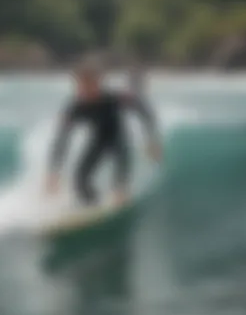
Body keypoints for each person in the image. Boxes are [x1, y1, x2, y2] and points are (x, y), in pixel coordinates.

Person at [45, 60, 162, 206]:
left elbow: (143, 111)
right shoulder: (75, 108)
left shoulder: (113, 98)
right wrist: (53, 171)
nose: (86, 90)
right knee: (79, 180)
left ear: (98, 83)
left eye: (90, 84)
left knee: (120, 181)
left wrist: (152, 141)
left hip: (118, 140)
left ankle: (120, 192)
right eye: (82, 85)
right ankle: (92, 204)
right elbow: (62, 139)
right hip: (99, 141)